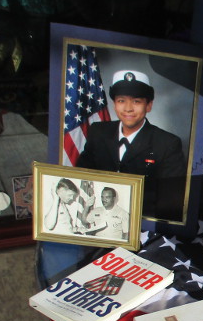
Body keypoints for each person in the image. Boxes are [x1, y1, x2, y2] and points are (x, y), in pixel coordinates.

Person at [76, 70, 186, 221]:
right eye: (121, 101)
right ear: (114, 104)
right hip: (99, 216)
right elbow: (80, 174)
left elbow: (170, 201)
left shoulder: (167, 143)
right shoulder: (98, 132)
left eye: (136, 101)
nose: (128, 108)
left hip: (142, 221)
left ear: (149, 105)